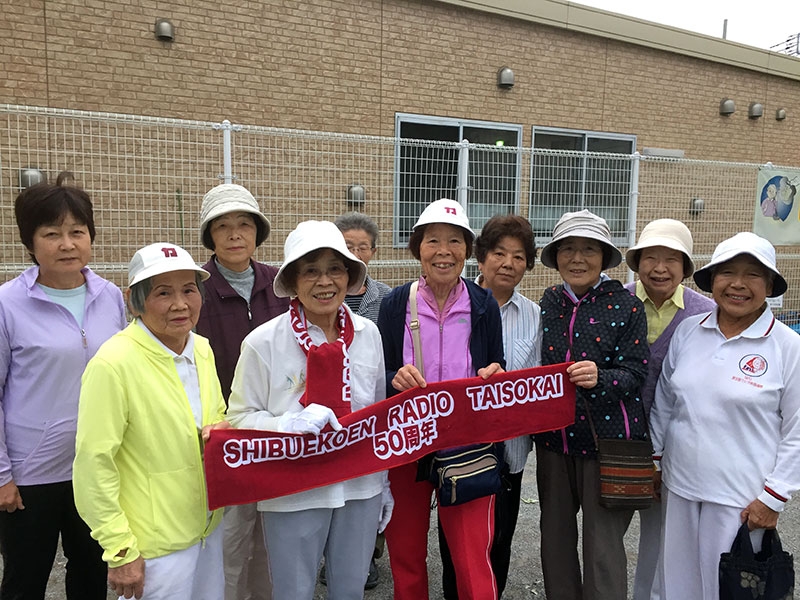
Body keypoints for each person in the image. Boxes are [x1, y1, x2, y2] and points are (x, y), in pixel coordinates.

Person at [227, 220, 392, 599]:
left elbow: (379, 413)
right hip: (292, 489)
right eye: (311, 270)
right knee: (292, 592)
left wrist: (383, 486)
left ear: (349, 276)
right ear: (293, 281)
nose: (325, 281)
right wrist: (288, 424)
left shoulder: (369, 334)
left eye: (335, 269)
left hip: (359, 486)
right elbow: (237, 418)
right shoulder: (262, 342)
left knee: (350, 589)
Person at [73, 243, 230, 600]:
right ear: (134, 301)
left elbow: (217, 415)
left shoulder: (200, 349)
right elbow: (93, 465)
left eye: (189, 290)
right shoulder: (113, 364)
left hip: (207, 529)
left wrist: (223, 431)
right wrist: (120, 549)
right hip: (153, 545)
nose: (180, 304)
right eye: (163, 293)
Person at [649, 231, 800, 600]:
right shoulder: (688, 331)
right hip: (680, 486)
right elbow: (665, 402)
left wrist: (773, 498)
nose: (737, 284)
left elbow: (797, 430)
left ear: (769, 285)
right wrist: (654, 463)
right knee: (676, 586)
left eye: (752, 275)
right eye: (726, 272)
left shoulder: (787, 346)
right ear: (712, 280)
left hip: (741, 501)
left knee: (728, 590)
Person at [0, 183, 126, 600]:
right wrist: (2, 475)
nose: (67, 244)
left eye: (78, 231)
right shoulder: (8, 304)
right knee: (25, 577)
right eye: (52, 233)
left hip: (96, 466)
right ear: (29, 241)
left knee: (92, 571)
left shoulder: (109, 296)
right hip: (29, 474)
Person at [378, 198, 505, 600]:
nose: (444, 251)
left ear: (468, 250)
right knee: (407, 555)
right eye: (433, 241)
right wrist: (391, 378)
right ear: (418, 248)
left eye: (455, 241)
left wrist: (492, 374)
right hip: (406, 444)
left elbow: (495, 366)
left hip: (466, 444)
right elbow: (378, 373)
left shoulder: (483, 304)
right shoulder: (396, 303)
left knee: (472, 558)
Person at [535, 209, 649, 600]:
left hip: (607, 444)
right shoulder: (548, 301)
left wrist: (603, 377)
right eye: (568, 249)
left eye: (588, 249)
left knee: (603, 548)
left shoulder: (626, 305)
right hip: (553, 443)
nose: (577, 258)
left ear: (604, 256)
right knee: (555, 539)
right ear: (556, 256)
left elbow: (636, 372)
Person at [439, 213, 542, 599]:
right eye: (499, 253)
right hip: (461, 452)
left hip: (510, 451)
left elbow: (536, 380)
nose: (508, 263)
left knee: (499, 542)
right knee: (456, 548)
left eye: (518, 256)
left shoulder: (533, 314)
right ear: (480, 258)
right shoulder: (455, 305)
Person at [195, 183, 288, 600]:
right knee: (229, 540)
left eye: (244, 225)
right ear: (210, 236)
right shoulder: (196, 288)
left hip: (274, 429)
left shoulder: (280, 284)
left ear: (257, 233)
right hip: (224, 434)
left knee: (273, 538)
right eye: (223, 226)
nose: (235, 234)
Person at [623, 218, 715, 600]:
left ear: (685, 267)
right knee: (608, 532)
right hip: (620, 438)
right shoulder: (619, 300)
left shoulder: (704, 313)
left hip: (676, 444)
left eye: (671, 260)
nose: (659, 268)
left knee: (663, 539)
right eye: (650, 258)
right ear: (638, 262)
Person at [333, 210, 392, 590]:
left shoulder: (386, 297)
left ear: (373, 251)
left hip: (372, 401)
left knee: (370, 481)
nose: (355, 253)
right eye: (347, 246)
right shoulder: (321, 295)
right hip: (331, 407)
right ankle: (332, 555)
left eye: (362, 247)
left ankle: (368, 553)